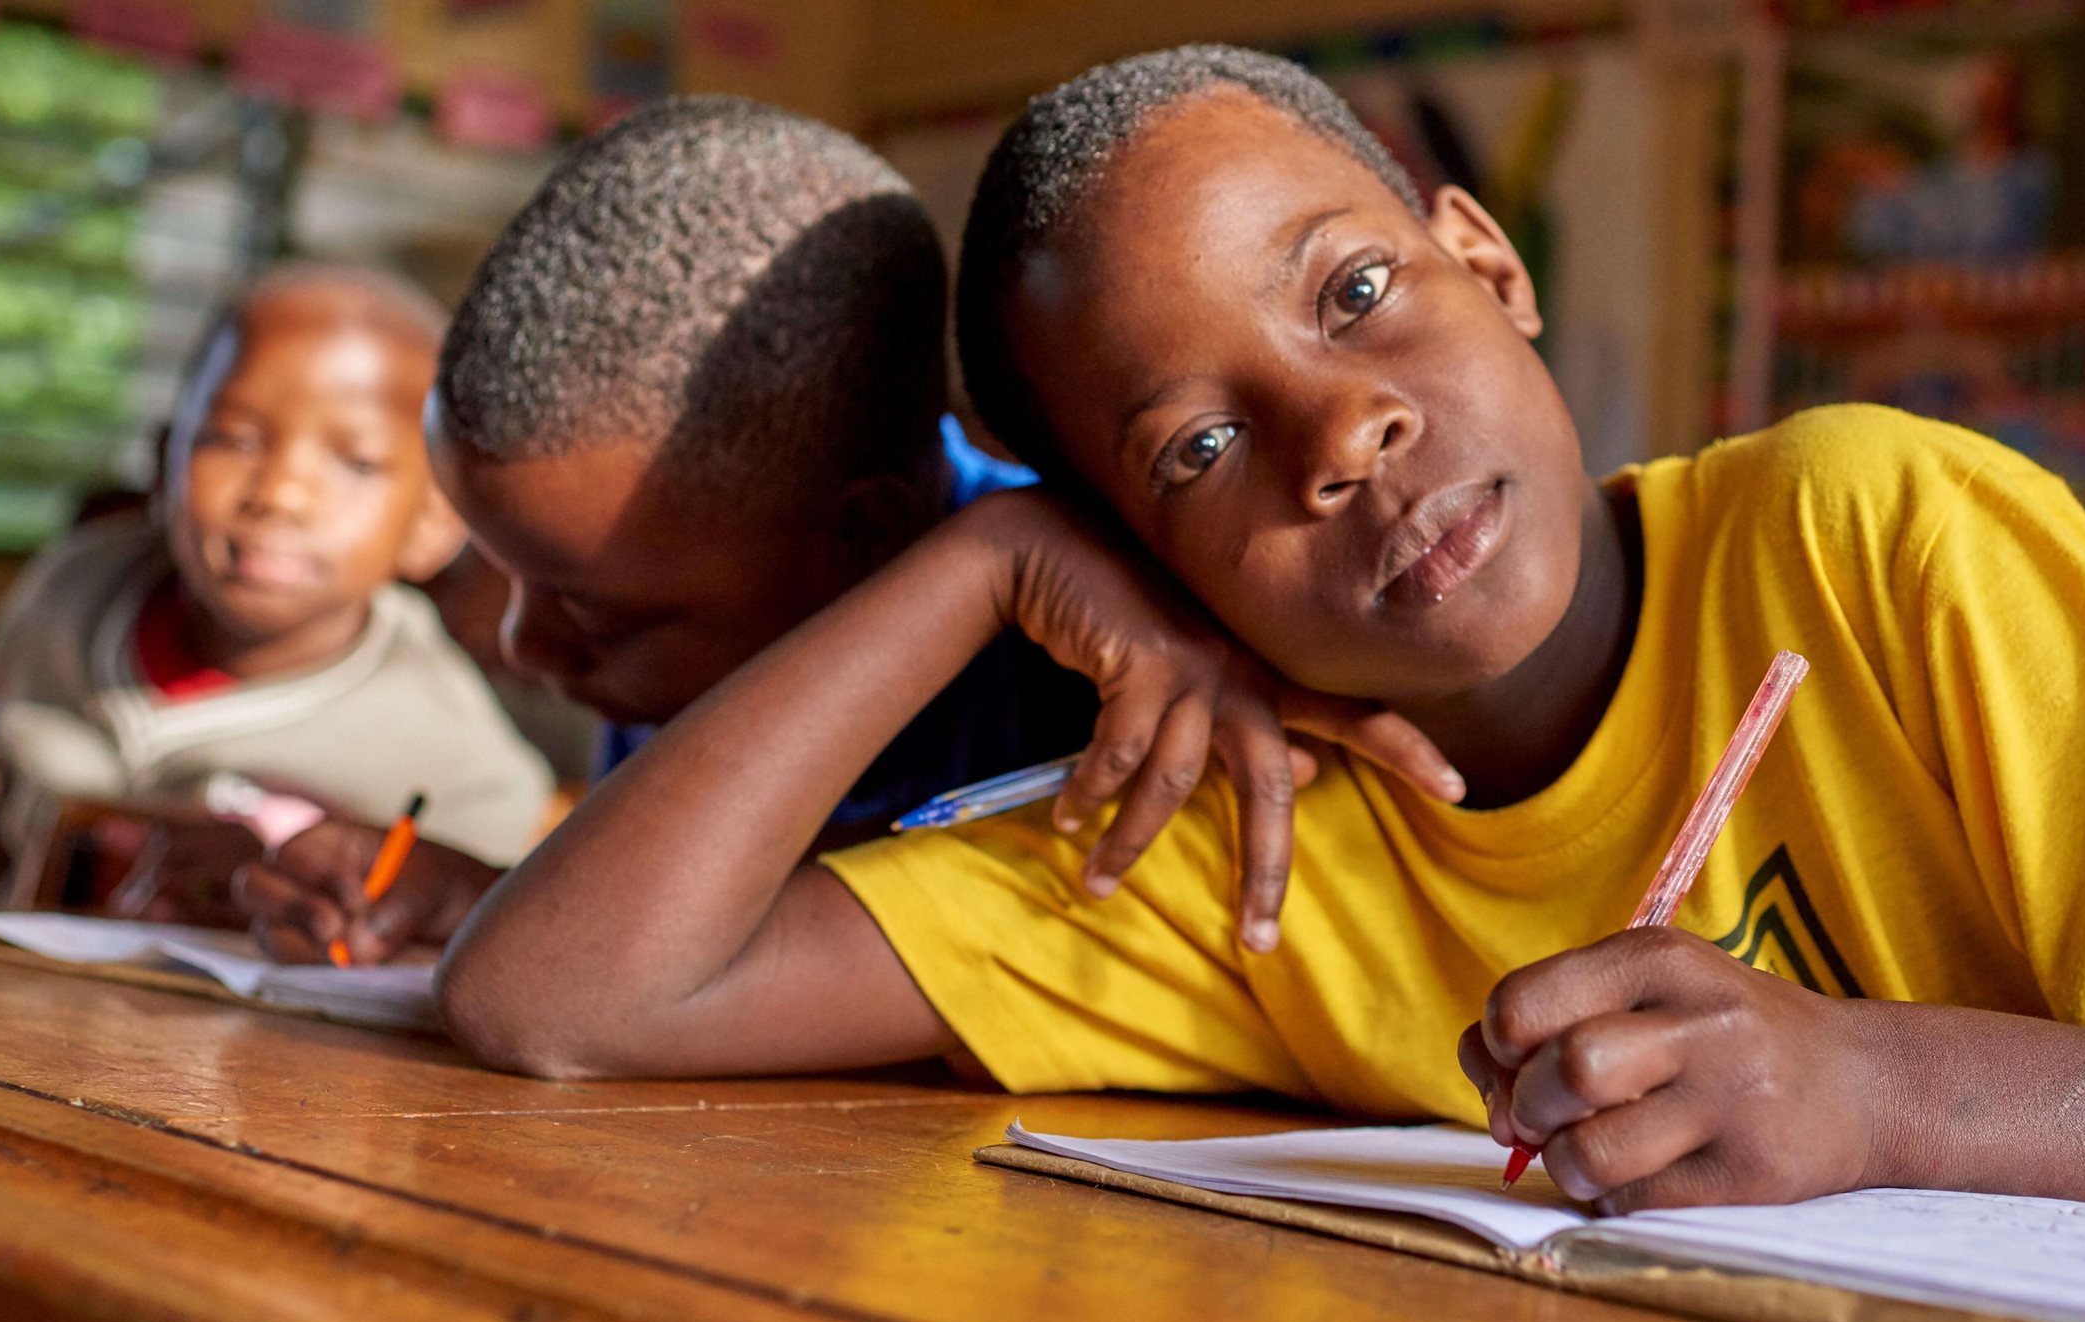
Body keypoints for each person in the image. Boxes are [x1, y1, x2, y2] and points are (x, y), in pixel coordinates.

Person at [438, 47, 2085, 1234]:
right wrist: (987, 554)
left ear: (1491, 261)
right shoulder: (1222, 838)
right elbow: (569, 995)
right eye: (1189, 444)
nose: (1337, 427)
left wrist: (1886, 1090)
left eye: (1356, 290)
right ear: (1139, 546)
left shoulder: (1861, 525)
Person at [234, 97, 1453, 964]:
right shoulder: (691, 606)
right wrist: (477, 900)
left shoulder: (1137, 660)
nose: (530, 647)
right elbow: (666, 939)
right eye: (509, 580)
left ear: (864, 539)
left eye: (589, 608)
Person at [0, 265, 553, 907]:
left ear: (433, 522)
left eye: (354, 463)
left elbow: (453, 932)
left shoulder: (454, 761)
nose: (281, 495)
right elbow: (2, 832)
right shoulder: (69, 602)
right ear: (167, 462)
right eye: (233, 439)